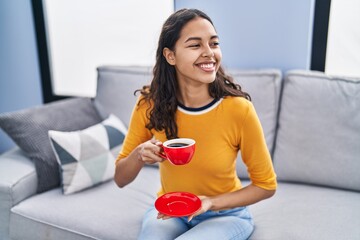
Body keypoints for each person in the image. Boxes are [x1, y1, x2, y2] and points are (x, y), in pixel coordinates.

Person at [114, 8, 277, 240]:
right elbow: (121, 179)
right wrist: (139, 155)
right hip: (172, 211)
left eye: (214, 43)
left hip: (226, 215)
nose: (209, 53)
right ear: (170, 56)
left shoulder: (239, 110)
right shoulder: (148, 104)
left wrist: (210, 203)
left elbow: (266, 185)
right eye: (195, 45)